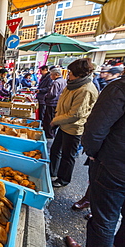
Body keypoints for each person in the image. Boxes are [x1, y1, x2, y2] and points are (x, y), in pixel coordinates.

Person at [65, 76, 125, 247]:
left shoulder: (119, 88)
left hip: (114, 166)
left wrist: (91, 153)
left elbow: (95, 128)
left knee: (104, 221)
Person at [50, 58, 98, 187]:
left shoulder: (85, 89)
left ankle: (63, 179)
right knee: (55, 150)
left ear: (80, 74)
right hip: (63, 124)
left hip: (74, 128)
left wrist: (55, 120)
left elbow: (76, 114)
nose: (68, 74)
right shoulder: (72, 84)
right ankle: (51, 172)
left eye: (71, 72)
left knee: (67, 155)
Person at [43, 68, 66, 139]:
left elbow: (52, 94)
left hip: (52, 103)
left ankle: (49, 134)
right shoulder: (64, 81)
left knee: (49, 119)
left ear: (56, 74)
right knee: (53, 118)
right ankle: (51, 133)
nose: (50, 76)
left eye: (51, 75)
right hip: (58, 103)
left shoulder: (56, 82)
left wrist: (45, 96)